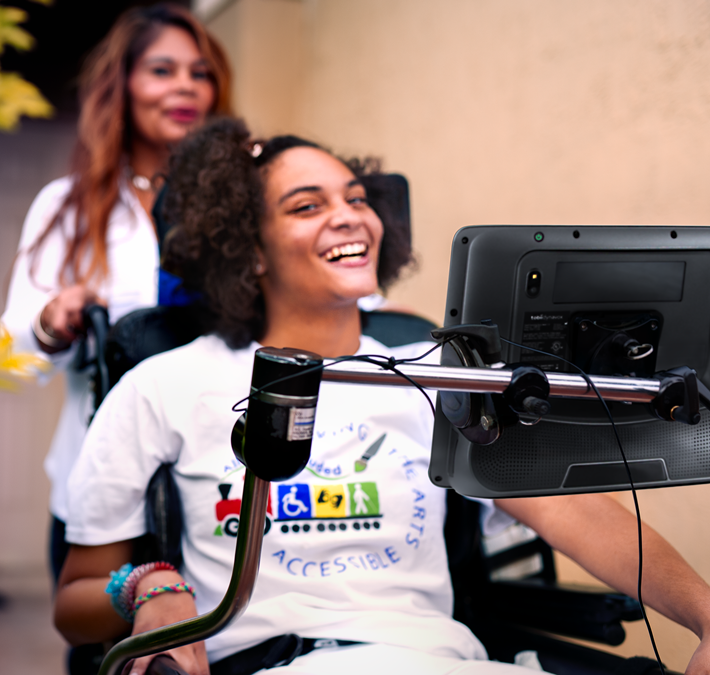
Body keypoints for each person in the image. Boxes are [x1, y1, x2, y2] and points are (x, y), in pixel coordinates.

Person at [54, 118, 710, 675]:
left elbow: (580, 517)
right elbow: (74, 603)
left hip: (436, 659)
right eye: (306, 205)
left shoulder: (443, 372)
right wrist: (149, 586)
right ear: (247, 249)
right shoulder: (164, 384)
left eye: (356, 197)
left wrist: (707, 619)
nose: (347, 215)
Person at [0, 3, 232, 583]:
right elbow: (13, 359)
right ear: (122, 86)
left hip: (219, 482)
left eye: (199, 72)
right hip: (104, 487)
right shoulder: (68, 207)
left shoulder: (238, 203)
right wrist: (53, 322)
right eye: (162, 70)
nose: (185, 85)